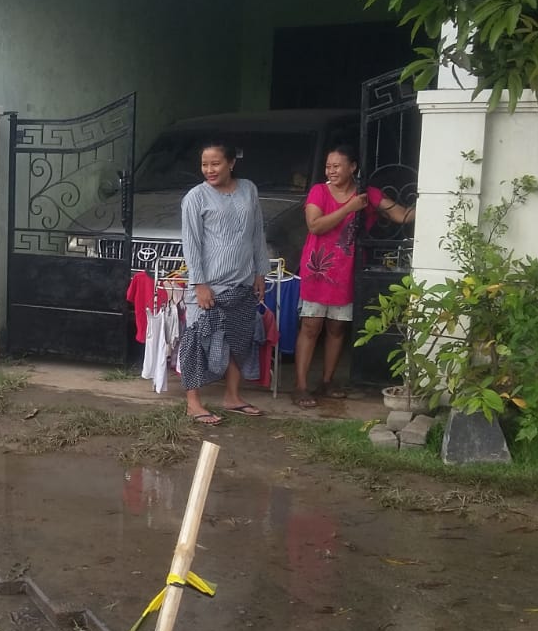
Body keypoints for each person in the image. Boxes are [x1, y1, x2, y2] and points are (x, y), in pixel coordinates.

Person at [293, 145, 413, 408]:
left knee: (338, 328)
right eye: (328, 166)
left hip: (348, 270)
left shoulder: (366, 194)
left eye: (337, 166)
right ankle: (301, 386)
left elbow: (401, 215)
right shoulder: (319, 191)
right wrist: (349, 207)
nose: (331, 171)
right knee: (311, 326)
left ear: (353, 167)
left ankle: (326, 382)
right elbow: (315, 225)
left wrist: (438, 202)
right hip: (318, 269)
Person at [177, 140, 268, 426]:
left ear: (231, 163)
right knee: (195, 340)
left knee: (238, 339)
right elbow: (191, 243)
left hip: (242, 281)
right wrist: (199, 283)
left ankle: (232, 397)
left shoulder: (249, 190)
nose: (209, 170)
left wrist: (260, 273)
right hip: (210, 286)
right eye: (204, 164)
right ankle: (193, 402)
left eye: (215, 163)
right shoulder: (195, 197)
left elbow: (257, 234)